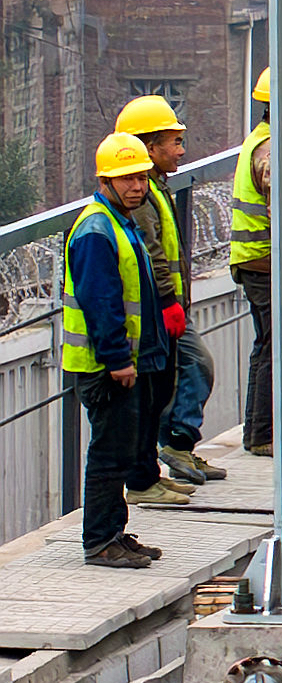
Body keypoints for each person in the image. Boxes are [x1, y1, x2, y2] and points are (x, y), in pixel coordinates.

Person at [64, 132, 176, 568]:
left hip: (125, 361)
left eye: (141, 178)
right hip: (105, 365)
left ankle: (114, 532)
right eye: (126, 179)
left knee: (125, 450)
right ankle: (99, 542)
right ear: (105, 181)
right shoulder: (96, 229)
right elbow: (102, 301)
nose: (137, 186)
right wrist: (116, 359)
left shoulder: (120, 220)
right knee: (110, 455)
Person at [113, 95, 225, 488]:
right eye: (172, 142)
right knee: (190, 371)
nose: (180, 150)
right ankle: (168, 452)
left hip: (171, 306)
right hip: (160, 310)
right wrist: (167, 301)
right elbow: (153, 252)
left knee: (176, 380)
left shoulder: (155, 187)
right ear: (148, 147)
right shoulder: (142, 196)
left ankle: (173, 450)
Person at [231, 68, 275, 456]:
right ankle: (262, 434)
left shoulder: (261, 140)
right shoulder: (269, 149)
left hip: (256, 260)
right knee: (274, 345)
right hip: (263, 261)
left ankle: (258, 431)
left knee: (266, 344)